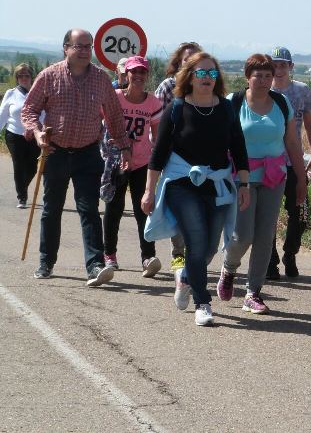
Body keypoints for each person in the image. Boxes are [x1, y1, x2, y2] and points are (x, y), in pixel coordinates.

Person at [142, 52, 249, 327]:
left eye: (212, 73)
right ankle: (203, 302)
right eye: (201, 73)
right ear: (189, 77)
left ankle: (187, 277)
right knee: (197, 240)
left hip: (217, 184)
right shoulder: (176, 108)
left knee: (210, 246)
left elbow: (238, 147)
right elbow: (158, 154)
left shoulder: (226, 109)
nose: (207, 78)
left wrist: (244, 184)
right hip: (182, 184)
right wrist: (149, 190)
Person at [21, 28, 131, 286]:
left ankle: (95, 266)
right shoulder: (49, 76)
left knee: (89, 209)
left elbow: (114, 116)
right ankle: (46, 262)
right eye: (78, 46)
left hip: (88, 153)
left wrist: (124, 147)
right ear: (66, 48)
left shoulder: (101, 79)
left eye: (87, 46)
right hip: (55, 151)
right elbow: (29, 110)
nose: (84, 51)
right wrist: (37, 133)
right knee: (52, 209)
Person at [216, 54, 306, 314]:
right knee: (243, 235)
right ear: (248, 77)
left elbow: (292, 142)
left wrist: (301, 178)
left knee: (266, 235)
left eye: (268, 75)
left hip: (274, 176)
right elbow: (219, 140)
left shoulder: (282, 103)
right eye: (259, 75)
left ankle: (253, 292)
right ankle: (229, 268)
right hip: (241, 177)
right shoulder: (233, 102)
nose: (265, 80)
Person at [101, 56, 164, 277]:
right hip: (116, 161)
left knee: (143, 209)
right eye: (134, 72)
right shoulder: (115, 97)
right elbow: (100, 122)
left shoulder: (153, 102)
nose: (138, 76)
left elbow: (157, 137)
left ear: (147, 75)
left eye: (142, 72)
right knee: (114, 208)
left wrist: (157, 161)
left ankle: (148, 257)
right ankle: (109, 255)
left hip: (142, 163)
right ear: (125, 74)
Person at [268, 46, 311, 279]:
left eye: (283, 65)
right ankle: (270, 259)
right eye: (274, 65)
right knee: (267, 213)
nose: (278, 69)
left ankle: (290, 252)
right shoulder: (263, 90)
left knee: (300, 212)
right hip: (268, 161)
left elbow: (309, 124)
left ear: (290, 66)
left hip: (294, 160)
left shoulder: (301, 90)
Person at [154, 41, 202, 274]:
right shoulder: (168, 86)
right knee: (179, 207)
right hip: (174, 157)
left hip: (201, 158)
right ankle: (178, 254)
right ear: (178, 62)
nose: (190, 63)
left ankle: (195, 254)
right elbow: (156, 120)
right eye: (186, 59)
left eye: (195, 59)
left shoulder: (205, 86)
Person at [0, 63, 41, 209]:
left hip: (34, 135)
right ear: (17, 78)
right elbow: (2, 114)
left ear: (32, 77)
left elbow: (44, 114)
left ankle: (22, 186)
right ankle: (22, 197)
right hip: (14, 135)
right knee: (18, 164)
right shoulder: (11, 93)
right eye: (20, 76)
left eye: (26, 75)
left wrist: (40, 130)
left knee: (32, 167)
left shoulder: (39, 94)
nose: (23, 78)